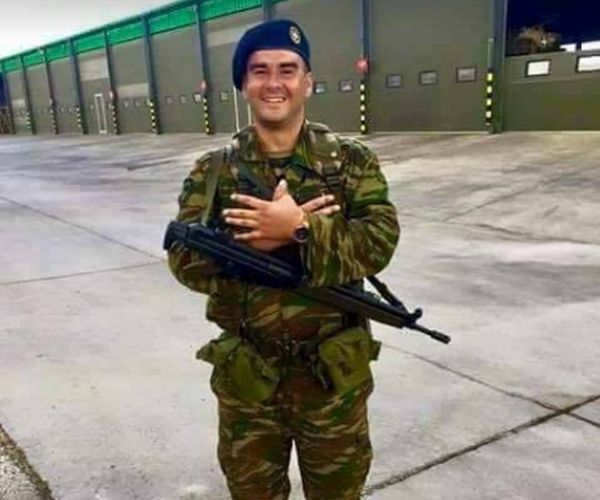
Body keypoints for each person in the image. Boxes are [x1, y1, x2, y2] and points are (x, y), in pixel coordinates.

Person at [167, 19, 400, 500]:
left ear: (308, 82)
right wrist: (249, 249)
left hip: (331, 380)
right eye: (260, 70)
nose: (274, 82)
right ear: (243, 83)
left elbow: (379, 243)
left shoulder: (350, 162)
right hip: (248, 379)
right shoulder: (213, 171)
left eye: (288, 69)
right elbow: (183, 260)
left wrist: (298, 229)